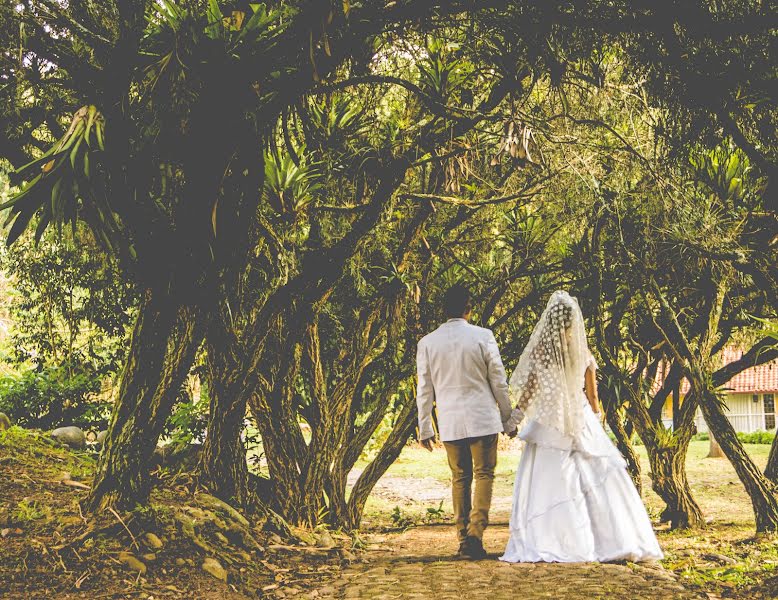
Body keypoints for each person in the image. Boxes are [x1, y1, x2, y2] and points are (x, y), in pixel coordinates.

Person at [500, 290, 663, 563]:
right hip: (581, 417)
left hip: (550, 422)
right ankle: (611, 540)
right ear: (573, 322)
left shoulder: (542, 352)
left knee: (549, 481)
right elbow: (593, 395)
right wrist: (596, 425)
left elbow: (529, 392)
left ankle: (553, 538)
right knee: (598, 480)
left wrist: (513, 421)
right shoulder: (583, 351)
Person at [416, 283, 516, 559]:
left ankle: (463, 539)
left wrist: (425, 426)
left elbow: (424, 388)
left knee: (460, 478)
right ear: (468, 309)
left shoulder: (427, 343)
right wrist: (508, 419)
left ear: (444, 311)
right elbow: (498, 381)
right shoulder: (483, 337)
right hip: (482, 417)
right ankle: (475, 534)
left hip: (450, 421)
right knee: (484, 474)